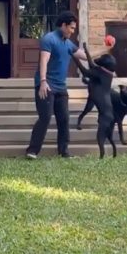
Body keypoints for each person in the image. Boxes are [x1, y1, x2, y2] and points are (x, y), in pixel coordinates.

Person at [25, 10, 90, 159]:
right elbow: (43, 61)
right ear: (63, 25)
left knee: (64, 119)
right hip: (46, 86)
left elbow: (85, 57)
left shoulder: (68, 44)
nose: (73, 31)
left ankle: (64, 151)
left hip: (61, 87)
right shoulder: (49, 39)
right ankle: (32, 150)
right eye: (71, 28)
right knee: (45, 117)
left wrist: (107, 50)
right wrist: (42, 82)